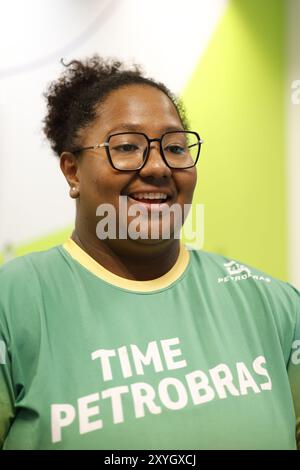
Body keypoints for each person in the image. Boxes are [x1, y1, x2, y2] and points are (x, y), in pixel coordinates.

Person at [0, 56, 299, 450]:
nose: (158, 167)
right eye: (127, 146)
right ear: (73, 172)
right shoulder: (15, 301)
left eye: (175, 148)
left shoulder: (273, 303)